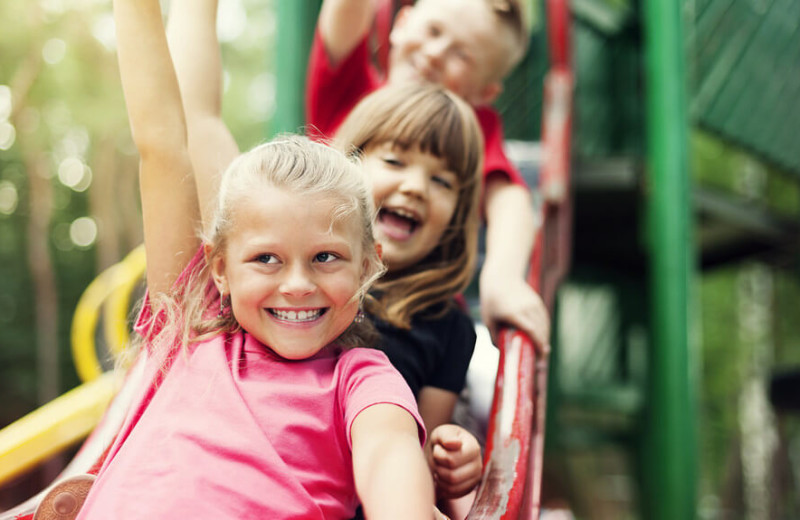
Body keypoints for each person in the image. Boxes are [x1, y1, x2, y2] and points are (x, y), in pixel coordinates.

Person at [67, 0, 438, 518]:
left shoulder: (360, 379)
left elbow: (386, 454)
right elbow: (162, 144)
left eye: (326, 257)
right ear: (220, 267)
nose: (297, 284)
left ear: (368, 266)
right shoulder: (189, 330)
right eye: (266, 259)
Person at [163, 2, 484, 517]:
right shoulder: (251, 284)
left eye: (442, 181)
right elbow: (193, 126)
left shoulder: (434, 332)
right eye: (396, 161)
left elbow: (408, 453)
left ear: (366, 266)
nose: (415, 187)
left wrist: (451, 463)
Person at [307, 0, 551, 353]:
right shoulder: (351, 89)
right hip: (315, 291)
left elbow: (509, 197)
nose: (435, 54)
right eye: (433, 31)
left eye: (462, 55)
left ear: (484, 94)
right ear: (402, 21)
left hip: (412, 324)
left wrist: (502, 278)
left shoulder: (470, 131)